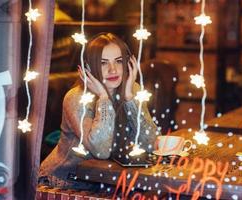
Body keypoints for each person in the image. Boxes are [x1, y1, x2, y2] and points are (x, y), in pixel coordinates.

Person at [38, 33, 158, 189]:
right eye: (103, 63)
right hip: (64, 183)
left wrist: (129, 98)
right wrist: (103, 97)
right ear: (88, 68)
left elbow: (150, 144)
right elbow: (101, 151)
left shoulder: (132, 90)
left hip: (108, 182)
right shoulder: (76, 98)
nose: (113, 69)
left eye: (119, 61)